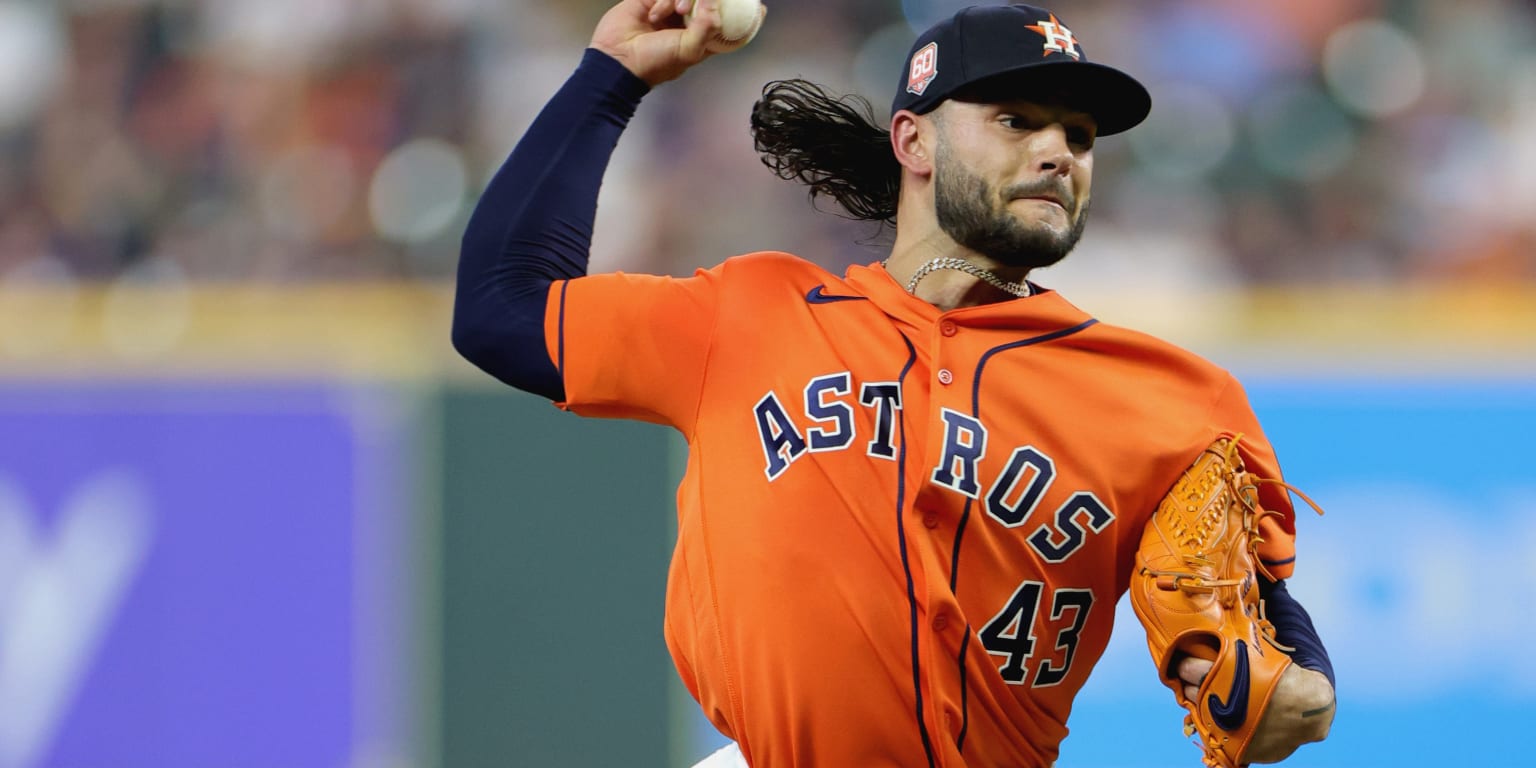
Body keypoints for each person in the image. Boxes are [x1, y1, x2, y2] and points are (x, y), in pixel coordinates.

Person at [452, 1, 1337, 765]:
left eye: (1078, 135)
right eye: (1016, 119)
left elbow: (1267, 624)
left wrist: (1301, 690)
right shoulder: (753, 310)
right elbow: (500, 307)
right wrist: (612, 77)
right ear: (913, 139)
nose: (1059, 151)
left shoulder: (1169, 397)